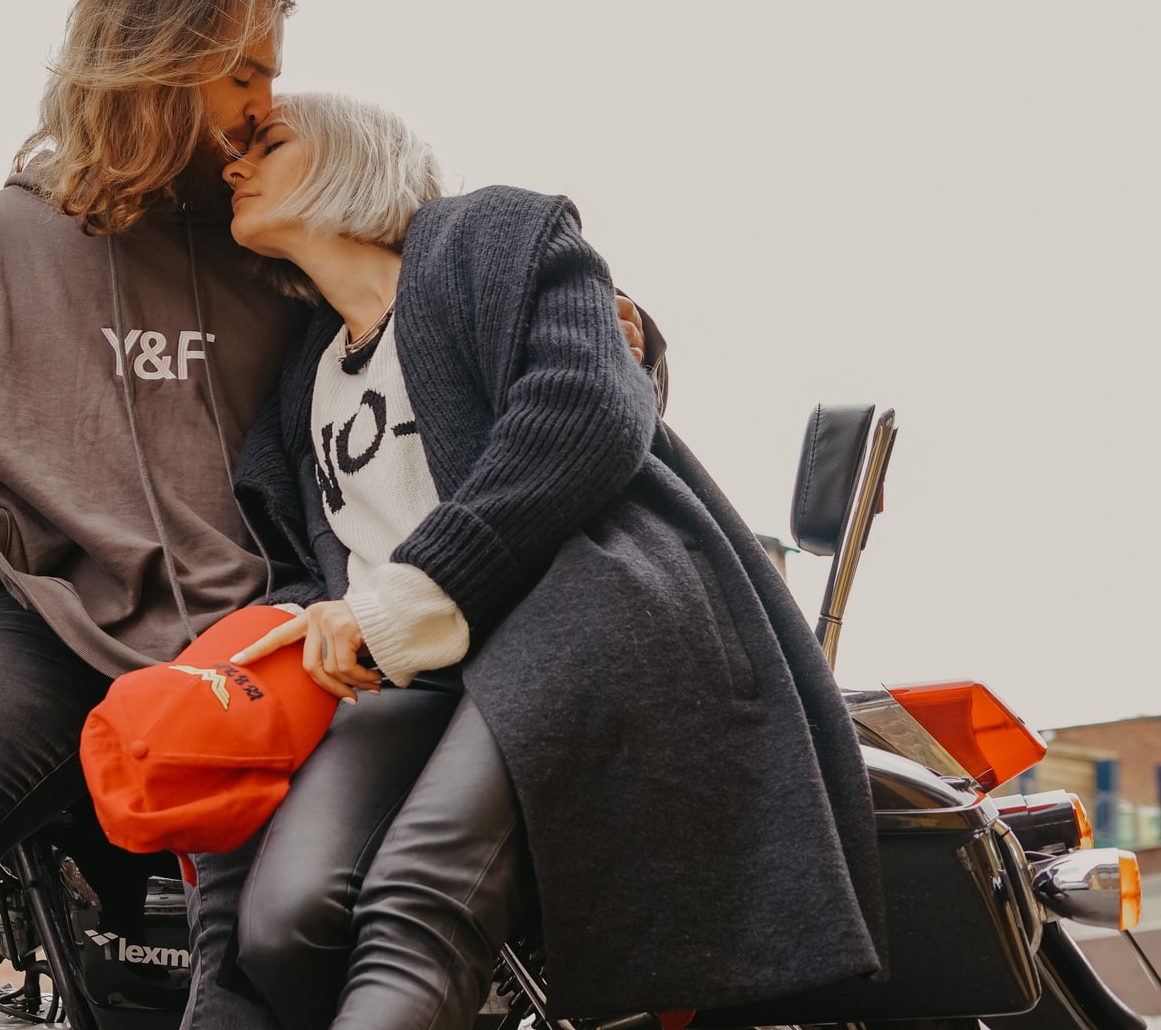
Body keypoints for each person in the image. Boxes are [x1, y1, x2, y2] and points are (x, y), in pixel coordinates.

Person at [0, 0, 656, 1026]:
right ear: (154, 61)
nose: (264, 105)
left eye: (273, 76)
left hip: (263, 622)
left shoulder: (272, 230)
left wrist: (621, 324)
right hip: (49, 623)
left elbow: (453, 286)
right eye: (243, 71)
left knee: (243, 937)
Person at [183, 93, 886, 1030]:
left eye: (268, 142)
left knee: (416, 902)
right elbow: (316, 562)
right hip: (406, 677)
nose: (235, 164)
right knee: (282, 926)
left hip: (567, 625)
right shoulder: (301, 374)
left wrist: (417, 591)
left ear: (353, 161)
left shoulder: (494, 236)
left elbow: (587, 408)